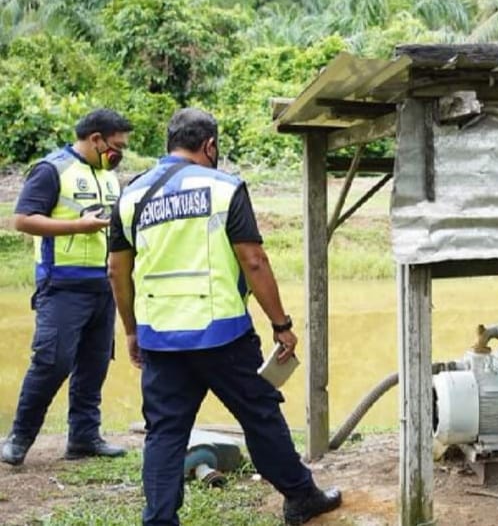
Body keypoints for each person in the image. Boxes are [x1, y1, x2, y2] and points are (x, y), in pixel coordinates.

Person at [108, 108, 341, 526]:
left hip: (160, 336)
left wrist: (130, 330)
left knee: (164, 433)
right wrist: (281, 325)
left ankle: (159, 521)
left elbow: (116, 270)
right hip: (224, 337)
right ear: (210, 146)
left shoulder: (130, 195)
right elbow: (253, 260)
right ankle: (301, 496)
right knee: (259, 414)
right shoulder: (224, 188)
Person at [2, 109, 133, 466]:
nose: (119, 153)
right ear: (96, 139)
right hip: (62, 285)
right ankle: (19, 437)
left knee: (94, 365)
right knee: (52, 361)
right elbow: (22, 220)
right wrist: (78, 227)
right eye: (116, 145)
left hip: (102, 285)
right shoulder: (51, 169)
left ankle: (84, 438)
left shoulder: (109, 176)